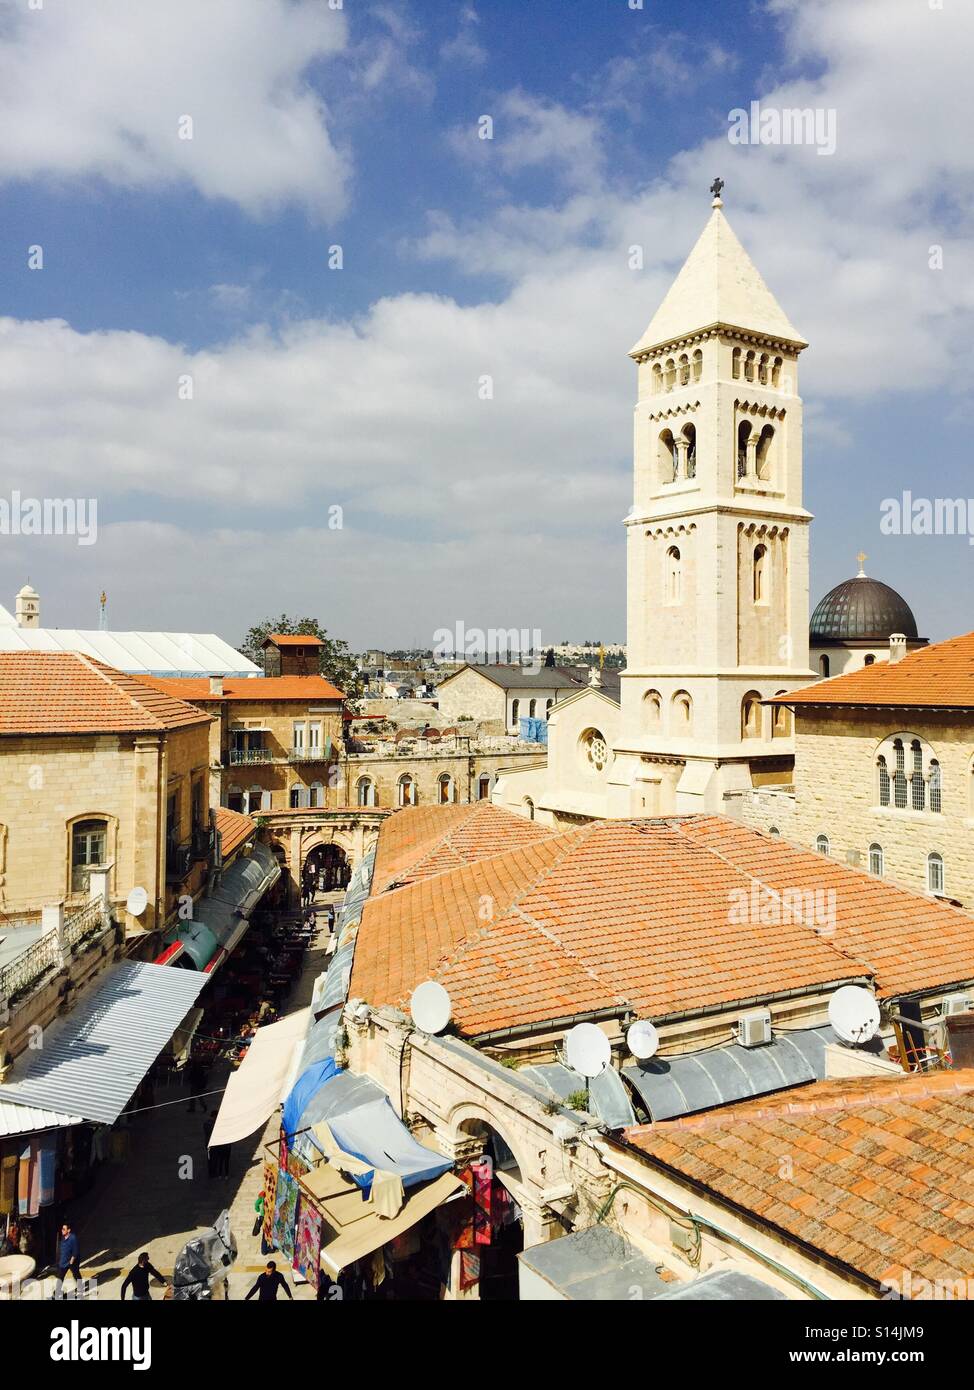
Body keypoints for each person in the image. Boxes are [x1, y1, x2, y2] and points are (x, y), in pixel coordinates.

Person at [54, 1222, 81, 1299]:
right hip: (63, 1262)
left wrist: (72, 1261)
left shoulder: (73, 1238)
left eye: (64, 1229)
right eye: (62, 1229)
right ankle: (58, 1292)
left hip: (72, 1262)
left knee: (76, 1274)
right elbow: (62, 1249)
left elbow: (75, 1250)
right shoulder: (63, 1237)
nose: (62, 1230)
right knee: (60, 1277)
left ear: (68, 1230)